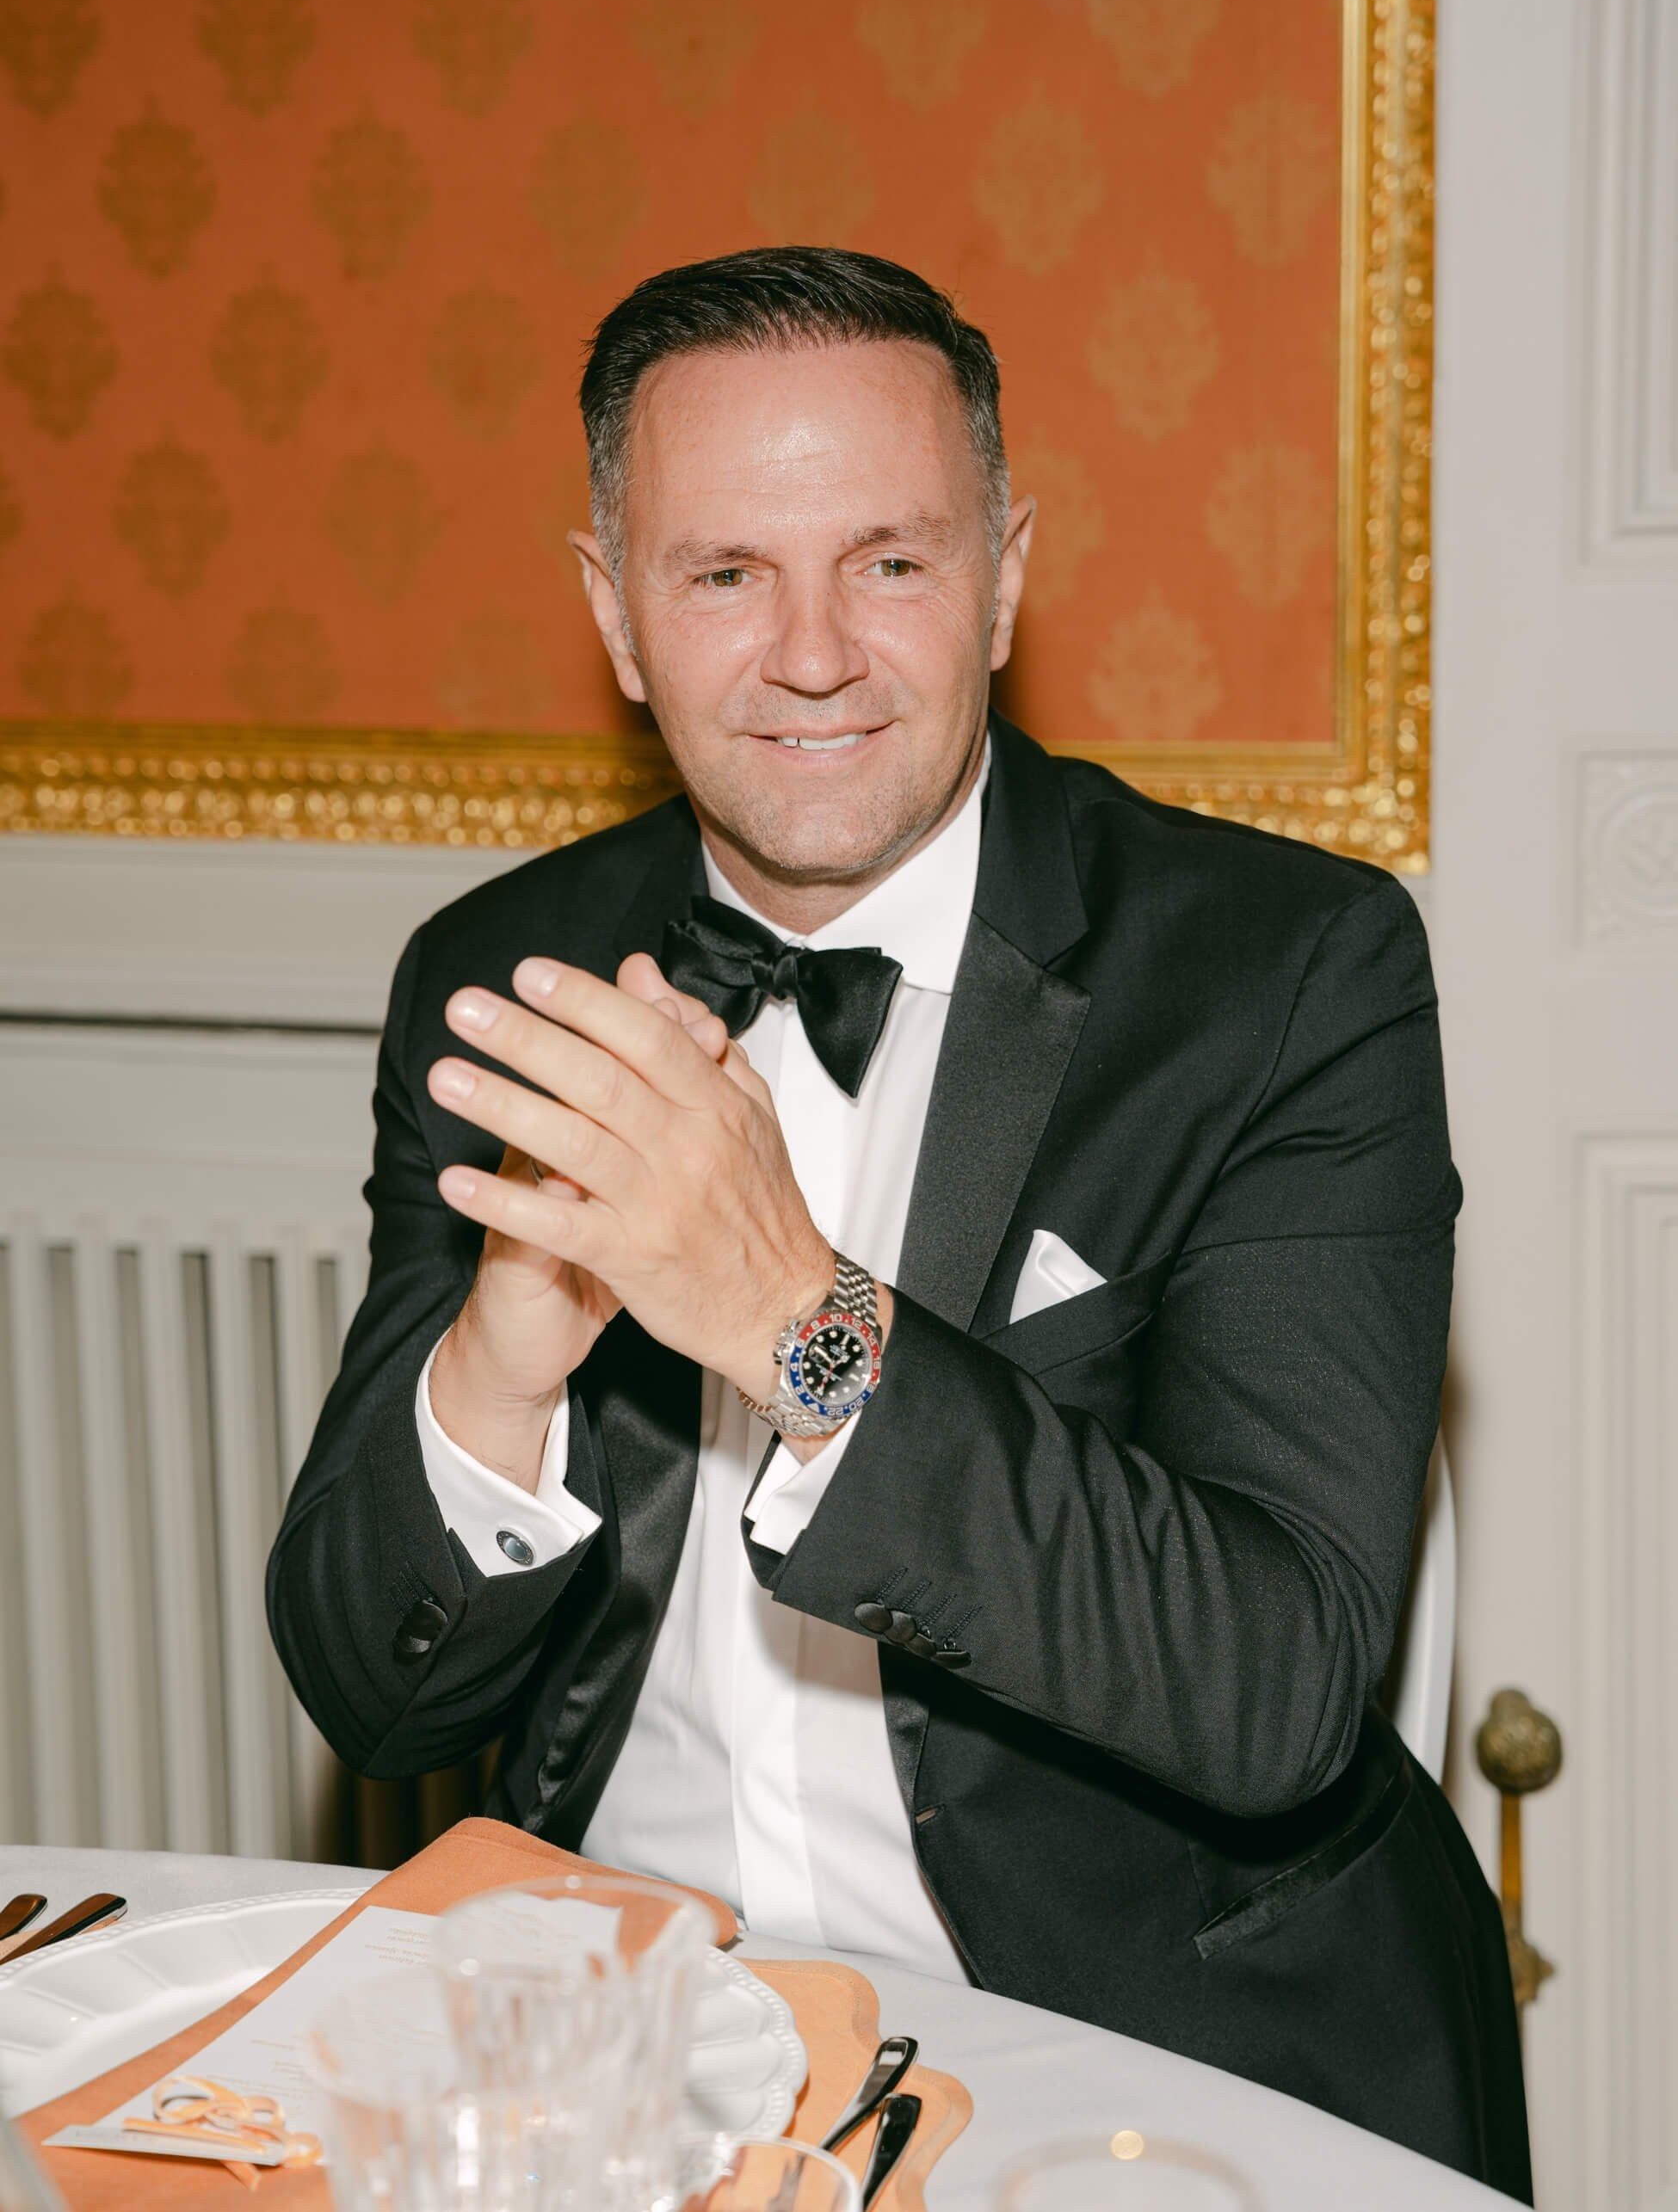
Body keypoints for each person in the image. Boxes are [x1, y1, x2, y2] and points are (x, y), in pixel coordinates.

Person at [268, 247, 1530, 2196]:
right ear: (617, 615)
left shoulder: (1288, 975)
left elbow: (1279, 1691)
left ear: (1006, 576)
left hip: (1136, 2071)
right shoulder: (507, 968)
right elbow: (378, 1684)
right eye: (721, 575)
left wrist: (794, 1312)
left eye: (892, 562)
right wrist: (500, 1357)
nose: (812, 653)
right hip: (632, 2054)